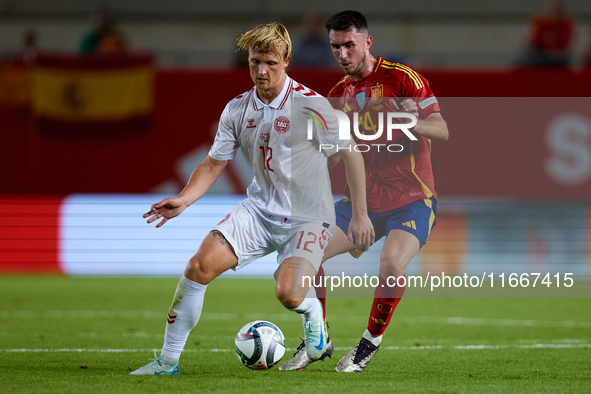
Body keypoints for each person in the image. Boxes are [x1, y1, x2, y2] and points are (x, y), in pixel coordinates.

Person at [129, 22, 373, 375]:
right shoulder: (237, 109)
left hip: (308, 217)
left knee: (288, 295)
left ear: (287, 60)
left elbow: (351, 154)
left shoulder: (310, 105)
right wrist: (184, 199)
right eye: (255, 62)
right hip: (258, 212)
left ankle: (314, 320)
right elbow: (214, 163)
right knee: (198, 268)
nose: (261, 71)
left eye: (270, 63)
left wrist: (361, 215)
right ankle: (167, 362)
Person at [279, 10, 448, 372]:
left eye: (349, 46)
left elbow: (442, 129)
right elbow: (335, 158)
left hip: (412, 200)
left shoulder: (402, 79)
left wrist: (410, 119)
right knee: (306, 255)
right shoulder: (337, 95)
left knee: (390, 263)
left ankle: (369, 343)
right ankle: (317, 338)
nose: (342, 55)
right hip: (361, 202)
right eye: (335, 47)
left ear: (367, 42)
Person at [518, 0, 575, 67]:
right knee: (521, 61)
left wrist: (556, 53)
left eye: (558, 8)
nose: (555, 10)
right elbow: (531, 41)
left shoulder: (566, 24)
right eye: (553, 7)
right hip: (541, 54)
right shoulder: (539, 22)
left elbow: (566, 46)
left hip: (558, 57)